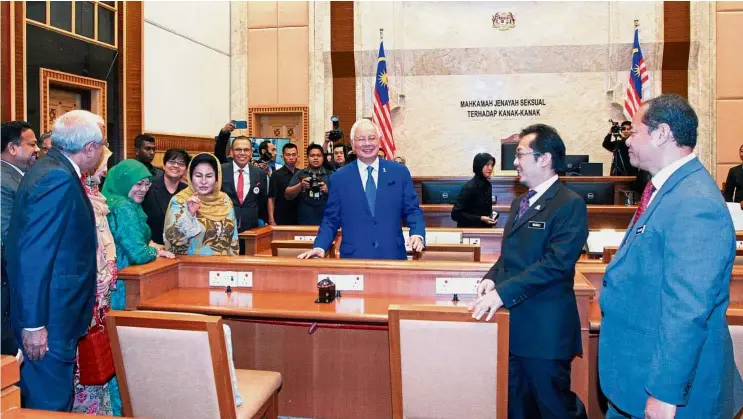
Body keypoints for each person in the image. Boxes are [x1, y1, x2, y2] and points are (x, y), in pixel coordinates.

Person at [599, 94, 743, 419]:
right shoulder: (668, 189)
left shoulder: (694, 203)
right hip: (636, 376)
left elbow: (687, 307)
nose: (626, 141)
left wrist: (665, 392)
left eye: (633, 132)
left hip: (672, 393)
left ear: (661, 133)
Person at [469, 124, 588, 419]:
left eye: (520, 154)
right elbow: (510, 255)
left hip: (545, 333)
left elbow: (555, 265)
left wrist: (502, 292)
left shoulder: (570, 204)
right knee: (516, 409)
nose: (515, 162)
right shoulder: (521, 202)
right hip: (515, 329)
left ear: (544, 158)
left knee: (554, 410)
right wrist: (491, 278)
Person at [6, 110, 107, 411]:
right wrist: (35, 324)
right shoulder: (57, 179)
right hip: (49, 319)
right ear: (89, 148)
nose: (103, 150)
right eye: (102, 143)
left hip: (54, 315)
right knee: (49, 404)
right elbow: (33, 255)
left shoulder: (53, 169)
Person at [298, 119, 425, 260]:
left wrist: (417, 233)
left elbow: (412, 210)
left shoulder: (399, 172)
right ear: (353, 144)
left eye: (372, 138)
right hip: (354, 259)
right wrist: (320, 246)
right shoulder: (339, 178)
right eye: (361, 139)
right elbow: (331, 219)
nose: (367, 143)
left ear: (379, 140)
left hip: (392, 256)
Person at [73, 147, 120, 415]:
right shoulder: (80, 200)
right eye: (102, 164)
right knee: (87, 363)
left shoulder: (96, 198)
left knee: (101, 361)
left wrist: (109, 272)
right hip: (88, 297)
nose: (104, 171)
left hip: (102, 298)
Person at [103, 159, 175, 314]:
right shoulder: (124, 207)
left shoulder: (114, 201)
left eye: (147, 184)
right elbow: (138, 253)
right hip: (125, 284)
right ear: (125, 182)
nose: (143, 189)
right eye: (138, 184)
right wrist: (155, 252)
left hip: (115, 280)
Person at [1, 121, 38, 359]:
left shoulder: (20, 177)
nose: (37, 149)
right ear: (12, 148)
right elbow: (6, 237)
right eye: (31, 144)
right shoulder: (3, 182)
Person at [164, 153, 239, 256]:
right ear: (190, 177)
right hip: (189, 267)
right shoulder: (180, 201)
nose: (203, 181)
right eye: (198, 175)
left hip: (221, 267)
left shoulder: (224, 200)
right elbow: (174, 239)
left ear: (217, 178)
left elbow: (233, 240)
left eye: (209, 176)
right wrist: (189, 214)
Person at [219, 137, 268, 251]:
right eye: (238, 150)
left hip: (251, 229)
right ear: (231, 152)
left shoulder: (260, 174)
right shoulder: (221, 171)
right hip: (224, 228)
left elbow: (261, 201)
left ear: (251, 152)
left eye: (246, 150)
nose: (242, 153)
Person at [142, 149, 190, 245]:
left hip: (180, 247)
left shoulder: (188, 192)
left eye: (181, 163)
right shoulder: (148, 189)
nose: (175, 166)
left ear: (185, 169)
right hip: (153, 246)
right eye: (171, 162)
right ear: (164, 165)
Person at [284, 144, 332, 225]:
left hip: (327, 221)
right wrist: (300, 185)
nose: (315, 158)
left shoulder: (331, 175)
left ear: (323, 158)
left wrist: (328, 190)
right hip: (305, 221)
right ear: (307, 158)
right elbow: (287, 195)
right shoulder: (300, 174)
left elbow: (342, 197)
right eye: (312, 155)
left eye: (318, 155)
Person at [451, 153, 497, 228]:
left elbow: (485, 211)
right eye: (487, 165)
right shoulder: (470, 187)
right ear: (479, 166)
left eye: (492, 165)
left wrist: (491, 219)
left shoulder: (488, 185)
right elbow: (455, 214)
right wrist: (480, 218)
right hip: (470, 232)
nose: (490, 168)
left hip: (485, 230)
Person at [268, 143, 300, 225]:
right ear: (282, 157)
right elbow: (271, 198)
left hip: (300, 217)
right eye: (288, 155)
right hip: (281, 218)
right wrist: (271, 219)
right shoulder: (276, 175)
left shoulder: (301, 173)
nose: (291, 158)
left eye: (294, 155)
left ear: (297, 156)